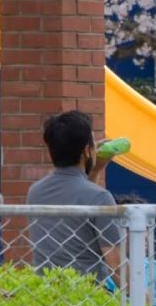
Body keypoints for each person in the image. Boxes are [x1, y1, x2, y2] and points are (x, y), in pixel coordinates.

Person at [26, 110, 119, 284]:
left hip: (45, 291)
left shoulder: (35, 191)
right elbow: (116, 264)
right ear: (87, 151)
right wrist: (149, 305)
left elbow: (78, 198)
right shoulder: (100, 197)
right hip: (87, 295)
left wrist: (95, 169)